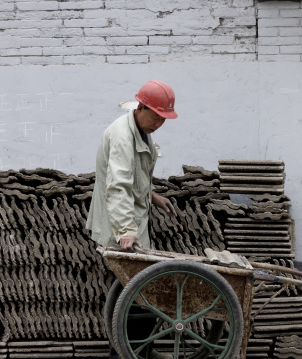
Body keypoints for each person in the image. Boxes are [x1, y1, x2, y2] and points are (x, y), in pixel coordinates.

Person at [86, 80, 178, 359]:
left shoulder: (141, 131)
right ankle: (125, 354)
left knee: (139, 297)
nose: (159, 124)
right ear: (140, 107)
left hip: (133, 225)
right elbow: (118, 186)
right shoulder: (123, 137)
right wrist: (126, 230)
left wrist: (153, 195)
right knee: (133, 299)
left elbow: (135, 178)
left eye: (164, 120)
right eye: (157, 117)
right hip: (120, 229)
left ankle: (141, 350)